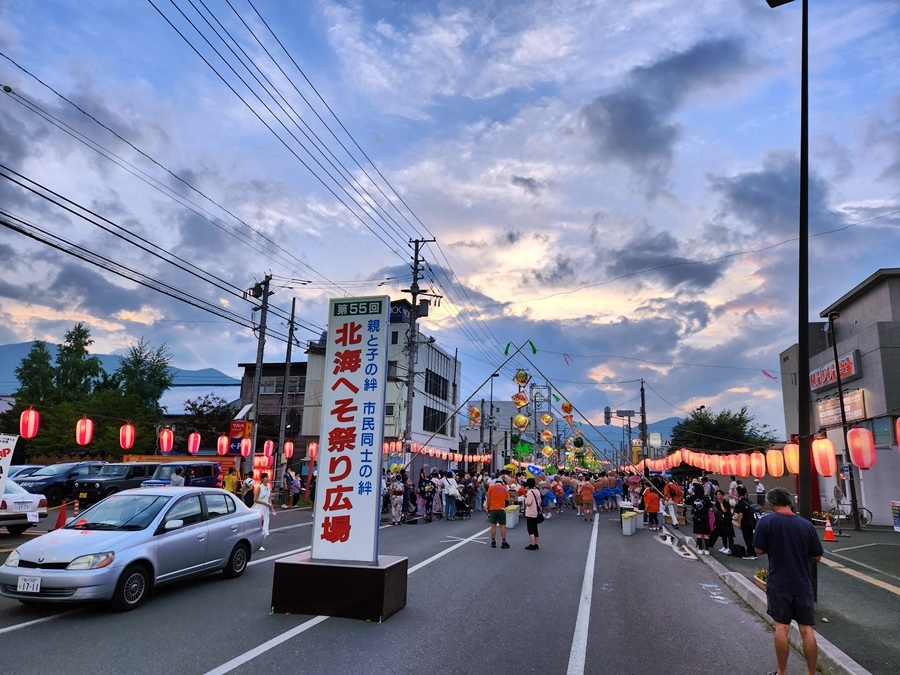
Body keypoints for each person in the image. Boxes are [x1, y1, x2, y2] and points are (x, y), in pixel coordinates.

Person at [754, 488, 824, 675]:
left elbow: (759, 550)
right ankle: (811, 673)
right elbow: (817, 556)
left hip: (779, 583)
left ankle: (782, 672)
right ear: (789, 502)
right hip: (802, 583)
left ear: (772, 503)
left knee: (782, 627)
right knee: (807, 629)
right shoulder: (806, 525)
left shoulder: (767, 521)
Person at [734, 485, 758, 560]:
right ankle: (752, 552)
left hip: (745, 522)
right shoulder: (747, 500)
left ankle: (751, 553)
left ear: (738, 493)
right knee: (750, 537)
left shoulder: (741, 502)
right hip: (751, 521)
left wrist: (739, 523)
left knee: (747, 538)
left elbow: (741, 513)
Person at [688, 482, 713, 555]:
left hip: (697, 516)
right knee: (706, 534)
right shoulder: (706, 497)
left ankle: (700, 549)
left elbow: (686, 502)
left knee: (699, 533)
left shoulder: (693, 497)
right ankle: (707, 550)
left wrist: (693, 506)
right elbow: (710, 506)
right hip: (705, 517)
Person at [486, 477, 510, 548]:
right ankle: (503, 541)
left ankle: (493, 541)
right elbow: (507, 501)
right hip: (501, 509)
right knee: (503, 525)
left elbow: (488, 499)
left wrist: (488, 507)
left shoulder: (491, 487)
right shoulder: (505, 489)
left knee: (493, 525)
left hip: (493, 508)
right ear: (502, 483)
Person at [253, 472, 274, 550]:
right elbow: (255, 500)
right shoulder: (259, 487)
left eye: (268, 477)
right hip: (259, 508)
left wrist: (271, 507)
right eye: (266, 477)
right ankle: (258, 544)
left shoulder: (269, 487)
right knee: (260, 526)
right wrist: (265, 503)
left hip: (266, 509)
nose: (268, 478)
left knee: (265, 526)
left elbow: (269, 499)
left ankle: (259, 543)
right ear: (262, 479)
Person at [710, 489, 735, 555]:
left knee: (729, 534)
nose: (720, 496)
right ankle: (725, 546)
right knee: (723, 534)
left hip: (727, 520)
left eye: (721, 494)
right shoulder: (717, 502)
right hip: (721, 520)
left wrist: (721, 503)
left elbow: (724, 510)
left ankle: (730, 548)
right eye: (718, 494)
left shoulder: (726, 502)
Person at [523, 477, 541, 550]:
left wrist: (525, 498)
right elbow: (539, 501)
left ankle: (532, 544)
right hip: (536, 511)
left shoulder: (530, 492)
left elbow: (528, 502)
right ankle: (536, 543)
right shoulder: (537, 490)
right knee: (535, 528)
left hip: (530, 512)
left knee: (530, 528)